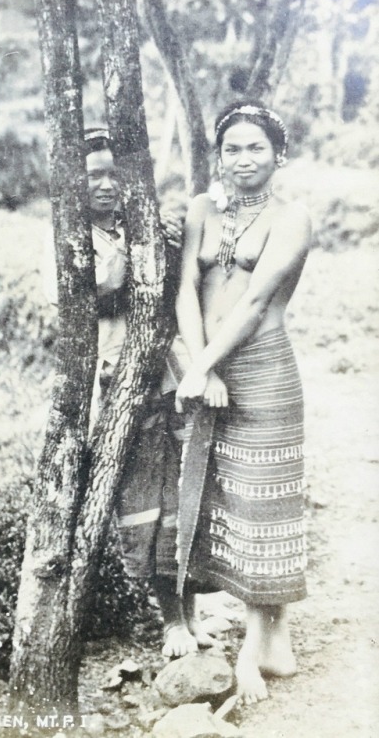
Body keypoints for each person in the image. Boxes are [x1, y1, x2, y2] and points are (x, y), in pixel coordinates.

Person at [173, 101, 311, 703]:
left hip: (264, 370)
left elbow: (255, 302)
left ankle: (252, 655)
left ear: (278, 155)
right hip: (205, 367)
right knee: (220, 499)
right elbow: (182, 289)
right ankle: (275, 641)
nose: (244, 158)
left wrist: (204, 366)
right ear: (218, 156)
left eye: (256, 147)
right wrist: (199, 364)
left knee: (263, 510)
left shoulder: (293, 216)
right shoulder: (201, 209)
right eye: (232, 148)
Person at [42, 128, 194, 656]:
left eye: (114, 175)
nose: (106, 187)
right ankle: (164, 619)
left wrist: (168, 242)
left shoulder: (140, 225)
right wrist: (142, 250)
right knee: (139, 498)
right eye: (93, 177)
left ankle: (186, 616)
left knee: (178, 489)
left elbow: (170, 289)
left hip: (164, 373)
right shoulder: (69, 238)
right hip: (111, 384)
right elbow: (97, 293)